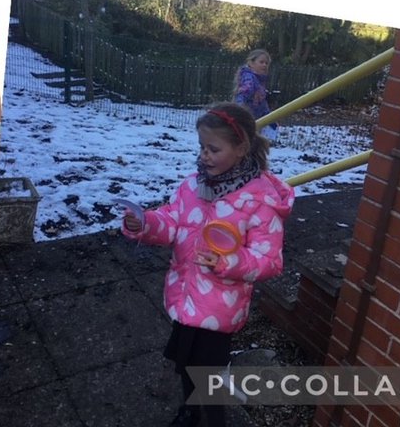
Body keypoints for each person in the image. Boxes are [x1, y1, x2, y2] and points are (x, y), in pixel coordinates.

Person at [122, 102, 294, 427]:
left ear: (241, 148)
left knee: (211, 375)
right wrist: (144, 224)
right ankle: (190, 411)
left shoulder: (259, 202)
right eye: (202, 147)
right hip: (186, 296)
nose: (204, 155)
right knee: (187, 362)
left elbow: (270, 261)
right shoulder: (193, 186)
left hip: (219, 307)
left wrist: (228, 262)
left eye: (214, 148)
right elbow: (172, 221)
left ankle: (214, 420)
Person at [234, 49, 278, 140]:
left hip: (256, 120)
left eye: (266, 63)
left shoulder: (259, 80)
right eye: (261, 62)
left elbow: (261, 103)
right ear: (251, 63)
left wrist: (268, 116)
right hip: (246, 120)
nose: (264, 65)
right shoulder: (249, 78)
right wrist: (239, 112)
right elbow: (243, 94)